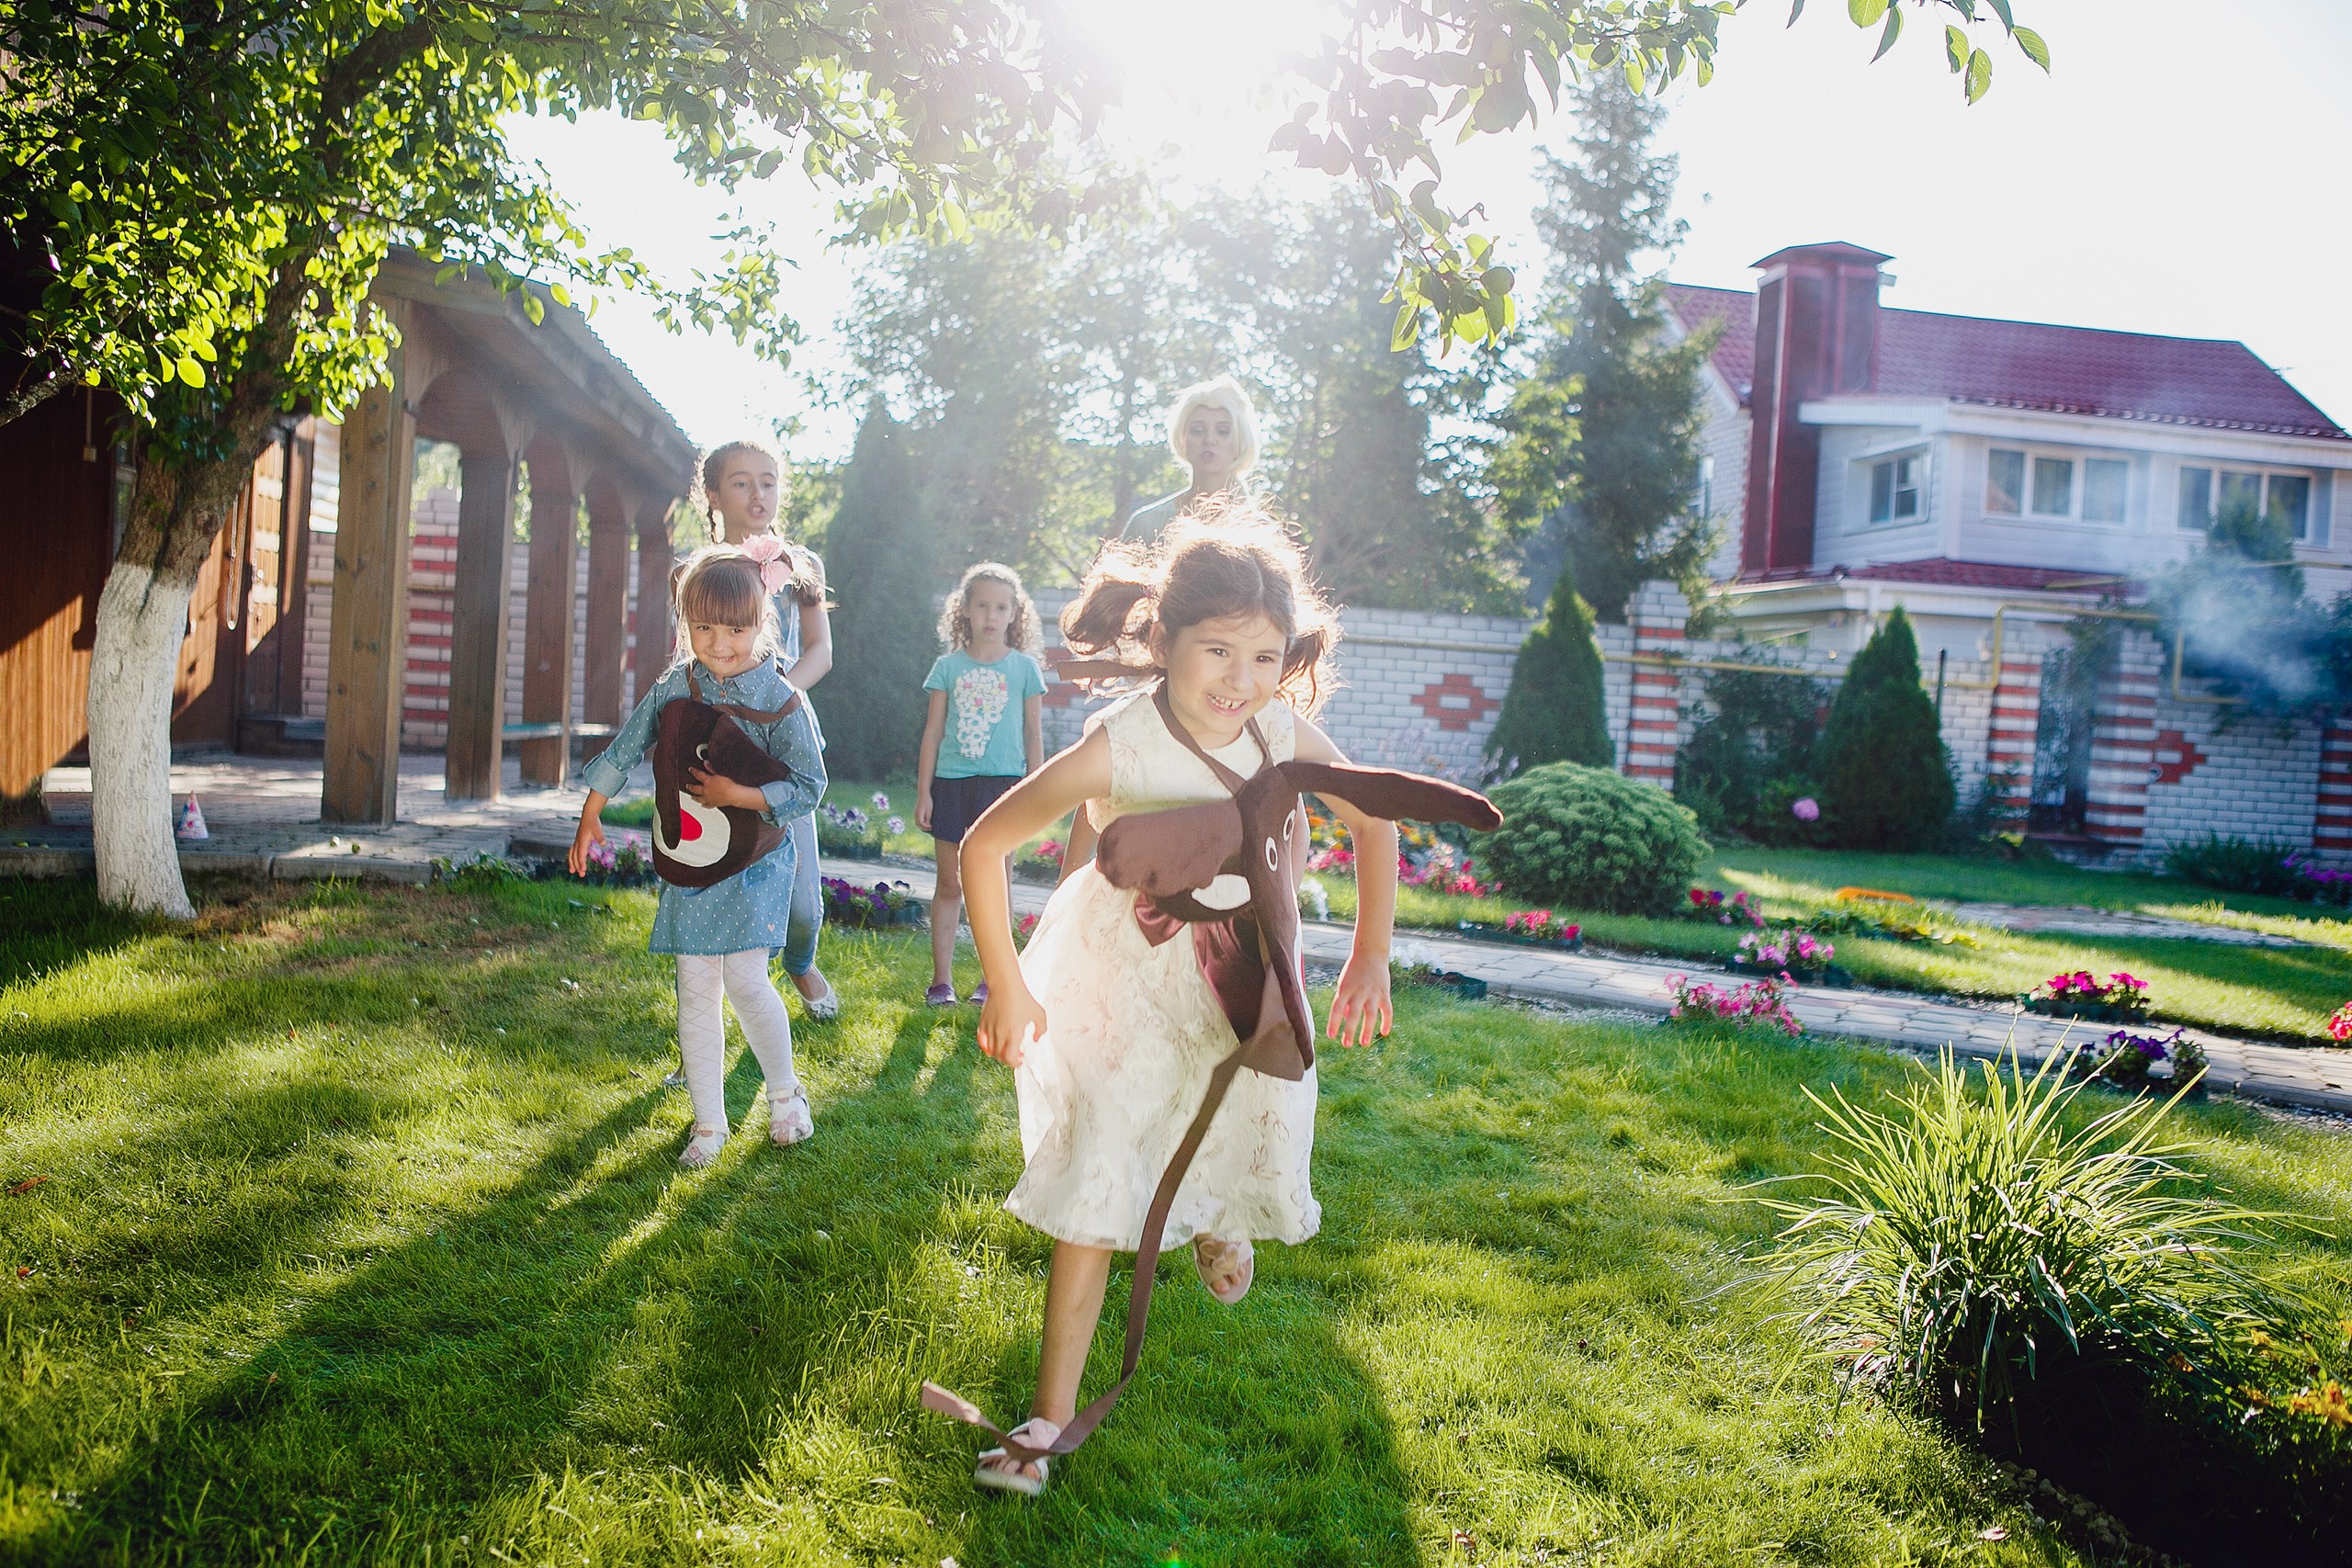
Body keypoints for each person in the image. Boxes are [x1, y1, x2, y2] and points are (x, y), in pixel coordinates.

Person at [951, 513, 1402, 1494]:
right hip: (1124, 986)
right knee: (1102, 1176)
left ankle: (1212, 1214)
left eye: (1263, 656)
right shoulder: (1122, 745)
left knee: (1233, 1114)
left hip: (1242, 985)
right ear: (1163, 643)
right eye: (1216, 650)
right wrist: (1008, 979)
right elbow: (984, 845)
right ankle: (1047, 1418)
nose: (1239, 679)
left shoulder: (1281, 731)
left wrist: (1370, 953)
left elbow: (1375, 819)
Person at [571, 547, 828, 1168]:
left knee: (743, 977)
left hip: (757, 860)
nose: (719, 642)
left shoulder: (780, 696)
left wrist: (738, 793)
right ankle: (708, 1126)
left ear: (763, 620)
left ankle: (787, 1096)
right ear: (685, 623)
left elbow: (809, 785)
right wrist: (590, 812)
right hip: (691, 857)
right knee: (695, 987)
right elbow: (629, 743)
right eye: (703, 627)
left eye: (736, 628)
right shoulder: (676, 684)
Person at [702, 438, 841, 1022]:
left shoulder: (800, 563)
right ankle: (702, 1022)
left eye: (768, 480)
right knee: (710, 889)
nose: (758, 494)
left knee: (804, 902)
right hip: (718, 750)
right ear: (713, 494)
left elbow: (820, 650)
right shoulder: (698, 570)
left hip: (785, 747)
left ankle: (801, 960)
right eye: (741, 482)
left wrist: (778, 700)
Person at [915, 563, 1046, 1006]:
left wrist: (1036, 793)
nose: (991, 615)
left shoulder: (1025, 670)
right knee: (950, 884)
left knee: (998, 884)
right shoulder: (947, 668)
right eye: (982, 605)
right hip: (952, 785)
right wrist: (924, 792)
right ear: (965, 611)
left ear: (1015, 614)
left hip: (1004, 789)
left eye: (1001, 607)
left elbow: (1033, 735)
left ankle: (994, 979)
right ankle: (941, 982)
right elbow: (932, 733)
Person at [1118, 375, 1260, 541]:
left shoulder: (1263, 531)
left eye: (1222, 431)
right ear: (1182, 439)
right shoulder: (1146, 525)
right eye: (1198, 430)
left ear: (1240, 442)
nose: (1209, 440)